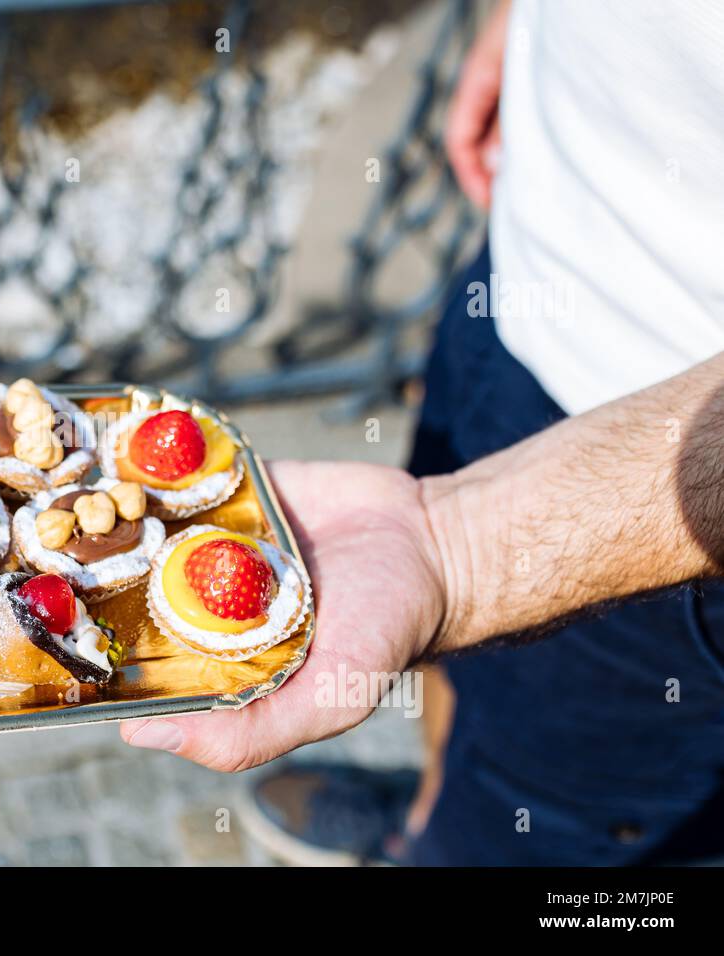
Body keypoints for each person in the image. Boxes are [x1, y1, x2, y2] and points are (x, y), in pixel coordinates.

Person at [121, 0, 724, 866]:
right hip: (526, 273)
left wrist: (459, 550)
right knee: (454, 682)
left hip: (669, 492)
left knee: (544, 824)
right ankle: (439, 802)